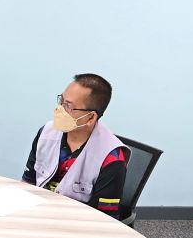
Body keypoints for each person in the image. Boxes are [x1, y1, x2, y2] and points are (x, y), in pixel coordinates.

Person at [22, 73, 128, 219]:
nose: (59, 109)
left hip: (76, 225)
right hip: (38, 214)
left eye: (68, 106)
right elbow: (28, 182)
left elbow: (104, 220)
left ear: (90, 117)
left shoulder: (111, 159)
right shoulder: (46, 133)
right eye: (61, 101)